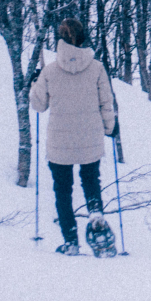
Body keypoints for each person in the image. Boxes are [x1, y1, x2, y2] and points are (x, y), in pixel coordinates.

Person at [30, 17, 118, 254]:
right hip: (90, 138)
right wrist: (110, 128)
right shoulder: (97, 68)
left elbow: (38, 106)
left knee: (62, 189)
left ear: (59, 39)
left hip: (60, 143)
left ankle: (71, 242)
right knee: (91, 181)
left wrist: (35, 82)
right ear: (83, 38)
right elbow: (106, 103)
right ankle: (96, 214)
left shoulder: (49, 71)